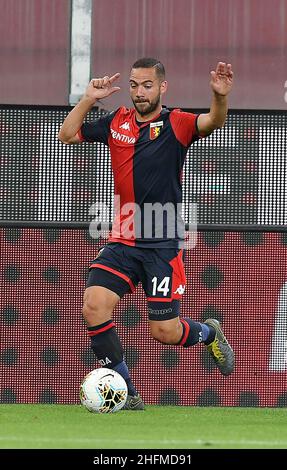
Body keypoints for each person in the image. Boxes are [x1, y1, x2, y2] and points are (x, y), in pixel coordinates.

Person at [58, 58, 234, 410]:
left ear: (162, 87)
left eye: (147, 85)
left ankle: (209, 332)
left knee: (164, 332)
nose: (140, 92)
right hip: (122, 239)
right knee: (94, 306)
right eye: (135, 85)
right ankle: (127, 390)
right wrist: (89, 97)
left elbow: (214, 120)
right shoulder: (116, 122)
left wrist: (219, 97)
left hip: (162, 243)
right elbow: (67, 135)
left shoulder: (177, 123)